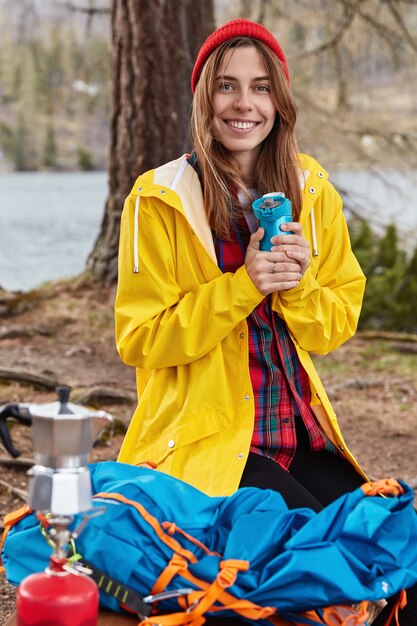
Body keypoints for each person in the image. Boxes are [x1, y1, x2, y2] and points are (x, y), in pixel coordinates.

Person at [115, 19, 416, 625]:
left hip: (299, 430)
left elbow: (333, 327)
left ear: (279, 99)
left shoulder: (311, 190)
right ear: (205, 97)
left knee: (396, 560)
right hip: (211, 440)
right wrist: (244, 285)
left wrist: (297, 285)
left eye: (259, 87)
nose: (243, 104)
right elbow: (141, 338)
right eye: (227, 86)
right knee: (326, 573)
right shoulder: (160, 198)